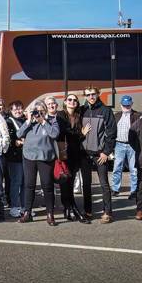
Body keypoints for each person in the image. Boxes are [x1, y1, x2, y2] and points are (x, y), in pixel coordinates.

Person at [17, 100, 60, 225]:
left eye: (41, 111)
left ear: (45, 111)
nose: (38, 114)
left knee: (47, 186)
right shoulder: (30, 123)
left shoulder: (52, 121)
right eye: (36, 111)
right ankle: (27, 213)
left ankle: (50, 214)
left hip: (45, 158)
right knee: (29, 185)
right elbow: (19, 134)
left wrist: (43, 121)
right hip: (29, 157)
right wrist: (28, 120)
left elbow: (55, 134)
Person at [80, 87, 116, 220]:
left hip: (100, 154)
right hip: (84, 154)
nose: (91, 97)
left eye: (93, 94)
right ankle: (88, 211)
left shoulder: (105, 110)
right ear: (85, 96)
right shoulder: (82, 110)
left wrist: (106, 152)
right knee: (86, 184)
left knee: (104, 184)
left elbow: (112, 133)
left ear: (98, 94)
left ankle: (107, 212)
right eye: (88, 95)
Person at [55, 94, 89, 223]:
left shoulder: (78, 116)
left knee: (71, 181)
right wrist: (81, 134)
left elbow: (72, 135)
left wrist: (78, 135)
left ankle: (69, 208)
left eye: (75, 100)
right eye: (70, 99)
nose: (72, 102)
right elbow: (65, 132)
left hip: (76, 154)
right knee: (65, 182)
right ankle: (71, 208)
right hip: (63, 153)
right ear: (65, 102)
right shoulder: (60, 115)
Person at [111, 95, 141, 198]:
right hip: (119, 144)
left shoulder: (138, 115)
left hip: (132, 146)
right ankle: (115, 189)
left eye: (128, 105)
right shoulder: (116, 116)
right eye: (124, 105)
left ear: (131, 104)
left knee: (134, 170)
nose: (126, 107)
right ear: (121, 105)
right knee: (117, 168)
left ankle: (134, 191)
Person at [4, 101, 27, 218]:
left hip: (26, 156)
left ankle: (24, 207)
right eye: (15, 109)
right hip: (14, 157)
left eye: (19, 108)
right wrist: (16, 142)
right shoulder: (8, 122)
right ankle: (14, 206)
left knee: (25, 183)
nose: (18, 111)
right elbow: (9, 138)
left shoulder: (25, 120)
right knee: (16, 182)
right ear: (11, 111)